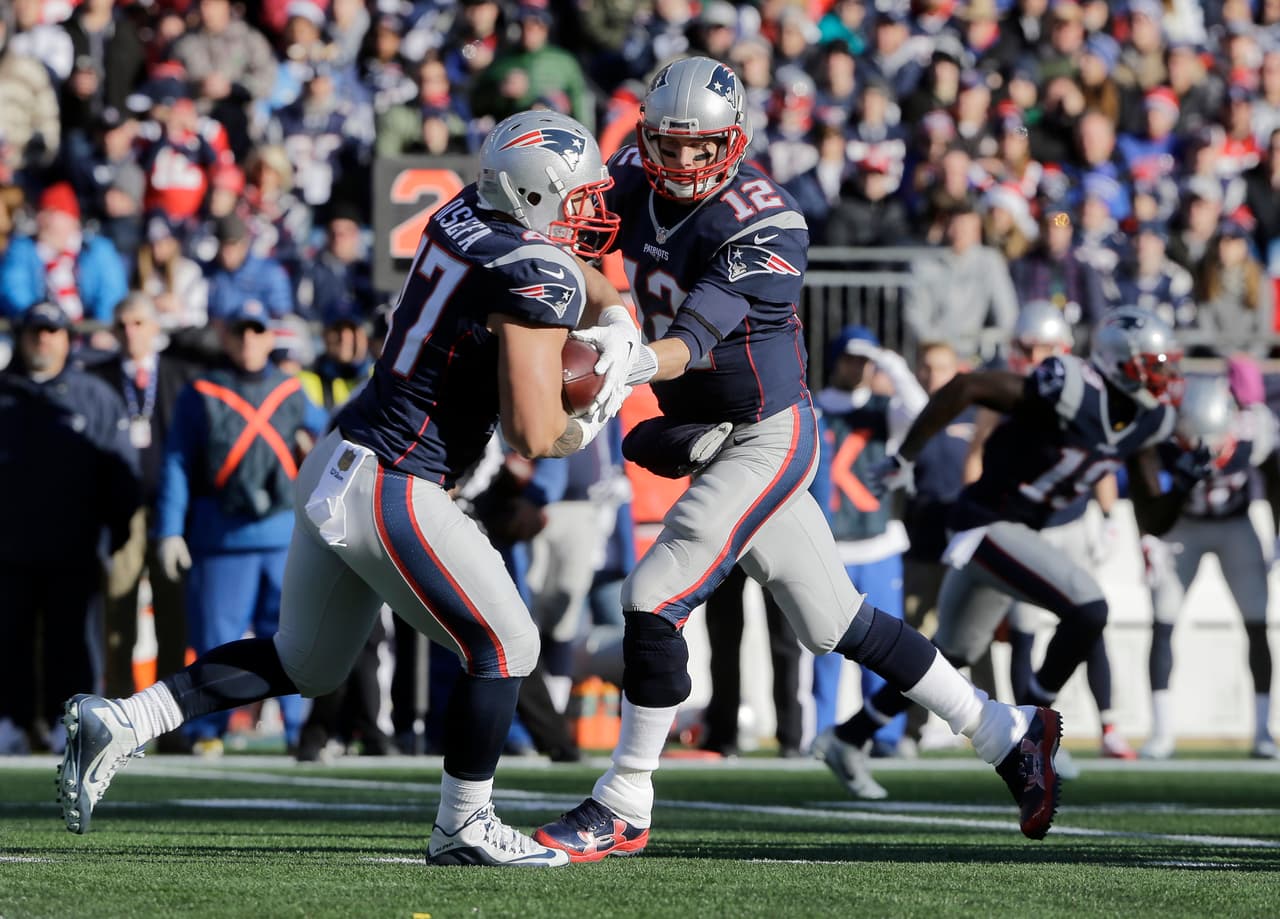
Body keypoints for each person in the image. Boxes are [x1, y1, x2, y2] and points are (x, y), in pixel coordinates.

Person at [58, 109, 628, 869]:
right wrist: (593, 414)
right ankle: (465, 822)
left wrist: (615, 315)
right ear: (532, 193)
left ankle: (125, 720)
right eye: (576, 196)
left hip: (341, 456)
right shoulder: (532, 271)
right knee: (507, 641)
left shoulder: (465, 210)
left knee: (307, 662)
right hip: (396, 481)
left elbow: (568, 273)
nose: (587, 212)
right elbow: (531, 433)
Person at [533, 57, 1063, 861]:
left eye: (699, 146)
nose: (681, 161)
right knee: (835, 621)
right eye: (668, 144)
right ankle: (1006, 732)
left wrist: (628, 359)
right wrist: (596, 312)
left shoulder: (766, 221)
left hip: (766, 432)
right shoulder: (630, 180)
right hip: (711, 430)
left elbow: (693, 339)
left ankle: (624, 800)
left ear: (733, 142)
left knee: (653, 595)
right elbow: (565, 246)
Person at [817, 307, 1204, 795]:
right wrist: (904, 456)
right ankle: (1035, 725)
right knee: (1089, 608)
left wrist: (1183, 486)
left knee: (948, 658)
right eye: (1152, 365)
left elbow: (1153, 518)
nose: (1164, 376)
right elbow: (967, 387)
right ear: (1116, 361)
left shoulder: (1147, 421)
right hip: (984, 522)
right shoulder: (1069, 388)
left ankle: (847, 738)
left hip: (1012, 534)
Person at [152, 297, 329, 757]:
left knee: (295, 638)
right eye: (240, 331)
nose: (249, 340)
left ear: (269, 338)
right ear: (226, 338)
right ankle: (207, 730)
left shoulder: (291, 391)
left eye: (257, 330)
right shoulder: (201, 392)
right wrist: (169, 530)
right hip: (221, 537)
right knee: (216, 642)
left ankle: (300, 731)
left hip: (283, 535)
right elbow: (176, 463)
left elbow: (334, 437)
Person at [963, 302, 1136, 765]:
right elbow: (977, 451)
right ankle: (1031, 736)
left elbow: (1102, 454)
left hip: (1072, 521)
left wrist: (1109, 515)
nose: (1033, 357)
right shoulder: (1010, 390)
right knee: (1023, 631)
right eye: (1026, 348)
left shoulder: (1080, 389)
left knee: (1089, 621)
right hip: (1022, 528)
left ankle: (1109, 725)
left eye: (1041, 347)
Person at [0, 303, 139, 754]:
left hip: (75, 548)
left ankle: (72, 725)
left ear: (67, 339)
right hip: (8, 550)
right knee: (9, 640)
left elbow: (122, 474)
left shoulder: (94, 396)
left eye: (52, 331)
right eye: (35, 331)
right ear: (22, 337)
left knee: (74, 642)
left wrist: (113, 534)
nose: (43, 339)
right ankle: (12, 722)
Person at [1141, 374, 1279, 760]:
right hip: (1182, 524)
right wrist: (1147, 534)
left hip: (1235, 525)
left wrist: (1277, 531)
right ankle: (1162, 731)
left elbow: (1275, 478)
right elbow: (1144, 486)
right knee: (1163, 619)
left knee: (1257, 622)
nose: (1209, 448)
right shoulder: (1166, 430)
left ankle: (1263, 731)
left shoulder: (1254, 429)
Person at [810, 326, 928, 765]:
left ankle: (884, 736)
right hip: (830, 548)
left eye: (865, 361)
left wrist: (892, 365)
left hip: (878, 546)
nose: (858, 368)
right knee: (824, 651)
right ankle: (821, 733)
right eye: (851, 359)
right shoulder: (814, 409)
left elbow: (923, 413)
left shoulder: (883, 410)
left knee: (885, 651)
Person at [87, 293, 200, 704]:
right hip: (120, 511)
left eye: (138, 323)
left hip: (170, 509)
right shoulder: (97, 377)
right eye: (122, 325)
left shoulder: (179, 374)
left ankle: (169, 716)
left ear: (155, 328)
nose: (130, 332)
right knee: (118, 616)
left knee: (173, 615)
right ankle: (118, 712)